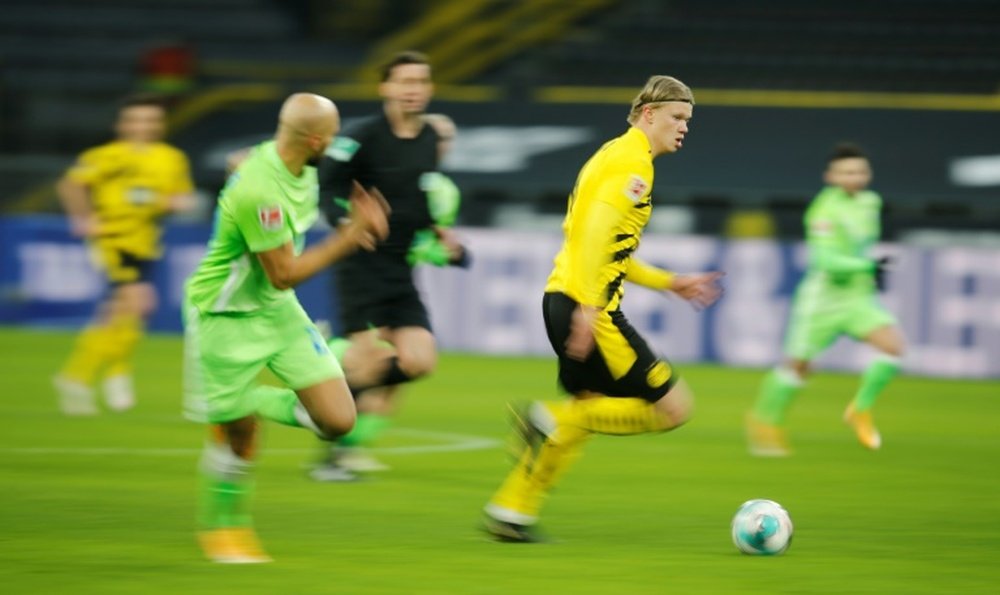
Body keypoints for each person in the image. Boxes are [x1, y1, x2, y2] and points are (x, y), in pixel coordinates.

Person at [482, 75, 724, 542]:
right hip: (587, 309)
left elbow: (607, 246)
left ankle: (511, 511)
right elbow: (595, 234)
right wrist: (592, 311)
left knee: (586, 410)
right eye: (678, 117)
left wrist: (670, 282)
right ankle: (546, 419)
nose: (684, 128)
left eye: (688, 120)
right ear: (649, 115)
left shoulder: (610, 155)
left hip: (560, 299)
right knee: (672, 408)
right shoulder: (634, 165)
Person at [182, 93, 388, 563]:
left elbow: (244, 157)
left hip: (276, 311)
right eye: (330, 137)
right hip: (224, 315)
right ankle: (225, 527)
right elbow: (284, 273)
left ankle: (239, 402)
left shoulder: (290, 159)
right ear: (314, 139)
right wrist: (349, 237)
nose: (333, 145)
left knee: (338, 420)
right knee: (241, 437)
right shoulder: (261, 191)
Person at [310, 52, 468, 481]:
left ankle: (323, 392)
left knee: (419, 360)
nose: (413, 88)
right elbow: (326, 184)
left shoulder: (431, 138)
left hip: (399, 270)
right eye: (404, 81)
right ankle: (335, 457)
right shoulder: (359, 137)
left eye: (421, 81)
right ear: (386, 87)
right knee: (366, 356)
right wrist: (346, 220)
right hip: (359, 263)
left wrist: (437, 233)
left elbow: (418, 194)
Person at [746, 143, 904, 456]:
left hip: (858, 297)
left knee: (893, 348)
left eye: (860, 171)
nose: (854, 177)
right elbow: (826, 261)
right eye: (846, 172)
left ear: (868, 174)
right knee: (799, 367)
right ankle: (763, 423)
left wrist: (865, 271)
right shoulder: (823, 211)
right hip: (822, 301)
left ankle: (859, 410)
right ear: (830, 176)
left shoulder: (871, 202)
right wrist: (868, 265)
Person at [53, 93, 196, 415]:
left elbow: (182, 198)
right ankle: (96, 376)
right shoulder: (105, 156)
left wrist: (170, 203)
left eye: (151, 120)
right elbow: (71, 185)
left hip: (147, 241)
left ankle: (89, 374)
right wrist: (83, 218)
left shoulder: (171, 158)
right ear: (122, 124)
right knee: (139, 303)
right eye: (136, 119)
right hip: (114, 241)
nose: (144, 126)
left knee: (122, 314)